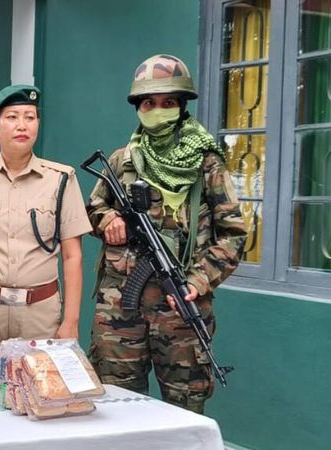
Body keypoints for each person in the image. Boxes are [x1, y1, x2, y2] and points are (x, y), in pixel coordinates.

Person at [87, 54, 247, 413]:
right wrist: (109, 219)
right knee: (116, 408)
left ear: (182, 106)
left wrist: (198, 280)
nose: (157, 110)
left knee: (184, 407)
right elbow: (93, 208)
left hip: (180, 308)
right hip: (119, 311)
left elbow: (234, 233)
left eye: (167, 102)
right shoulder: (122, 159)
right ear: (138, 107)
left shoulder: (205, 163)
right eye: (149, 103)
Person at [0, 85, 93, 392]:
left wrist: (70, 321)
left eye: (30, 117)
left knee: (38, 398)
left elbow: (73, 256)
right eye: (12, 117)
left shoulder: (61, 179)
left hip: (38, 312)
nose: (22, 125)